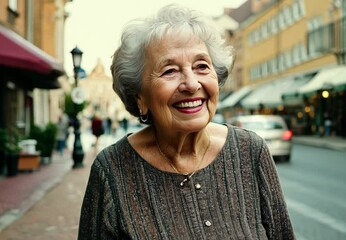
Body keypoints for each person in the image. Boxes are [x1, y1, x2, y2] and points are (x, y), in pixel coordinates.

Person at [78, 4, 294, 239]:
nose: (191, 84)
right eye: (169, 71)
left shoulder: (251, 151)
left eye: (202, 66)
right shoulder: (112, 170)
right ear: (140, 97)